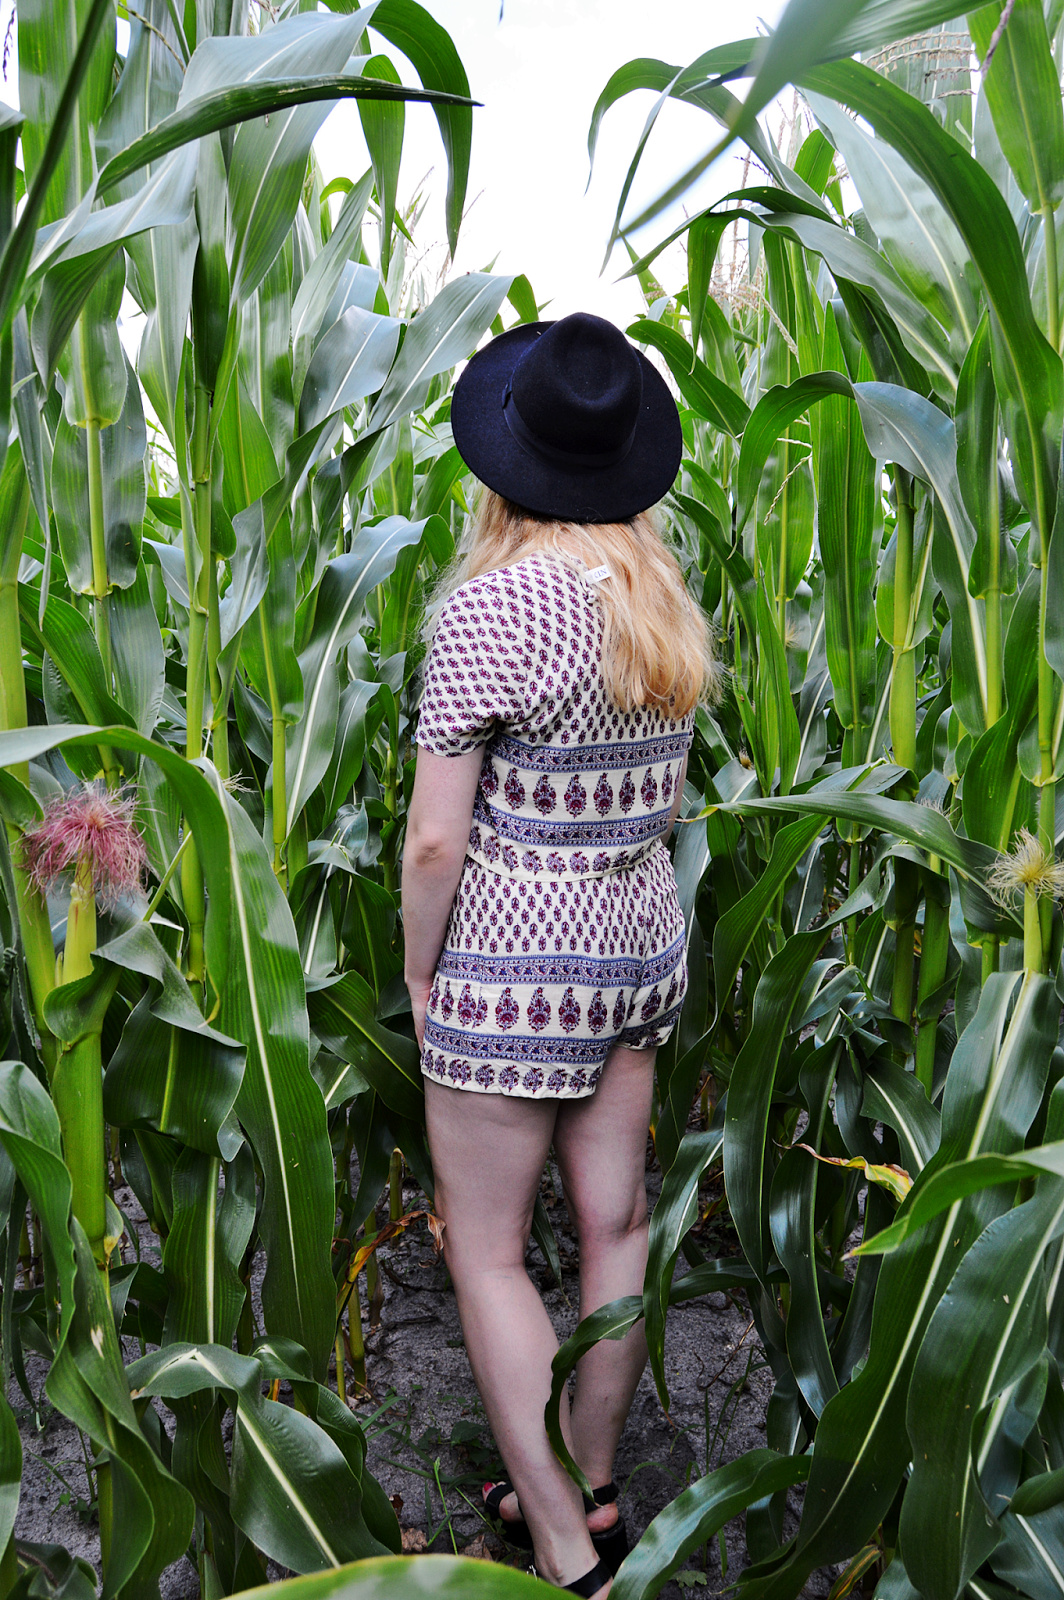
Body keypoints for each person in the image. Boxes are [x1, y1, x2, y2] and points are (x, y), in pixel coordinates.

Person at [401, 312, 715, 1597]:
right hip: (634, 942)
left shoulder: (491, 610)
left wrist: (420, 973)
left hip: (515, 957)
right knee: (615, 1221)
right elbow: (665, 803)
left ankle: (559, 1546)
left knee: (483, 1248)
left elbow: (436, 840)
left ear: (506, 465)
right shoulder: (659, 601)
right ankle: (587, 1484)